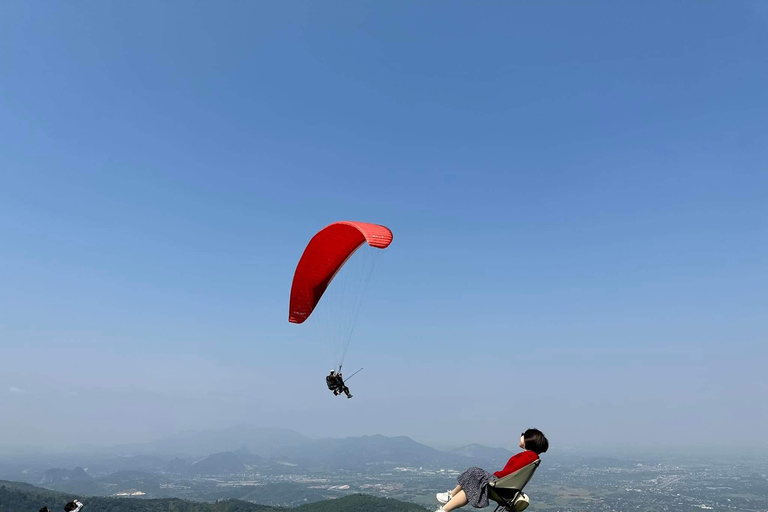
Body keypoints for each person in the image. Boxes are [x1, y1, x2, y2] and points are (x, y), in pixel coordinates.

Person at [434, 429, 548, 512]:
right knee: (471, 486)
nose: (521, 435)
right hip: (504, 485)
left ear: (529, 439)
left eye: (523, 434)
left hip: (501, 485)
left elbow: (510, 473)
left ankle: (450, 497)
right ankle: (444, 508)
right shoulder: (530, 456)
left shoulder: (530, 455)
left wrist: (495, 477)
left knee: (474, 471)